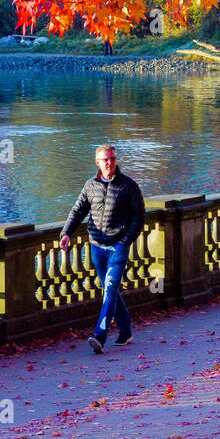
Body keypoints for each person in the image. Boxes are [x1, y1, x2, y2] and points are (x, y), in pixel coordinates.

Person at [59, 144, 146, 354]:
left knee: (110, 288)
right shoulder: (91, 185)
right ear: (97, 162)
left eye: (112, 158)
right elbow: (78, 210)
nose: (110, 163)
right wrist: (66, 233)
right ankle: (125, 330)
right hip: (97, 246)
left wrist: (125, 240)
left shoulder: (128, 186)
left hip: (118, 246)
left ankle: (100, 334)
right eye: (105, 159)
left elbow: (140, 217)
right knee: (110, 290)